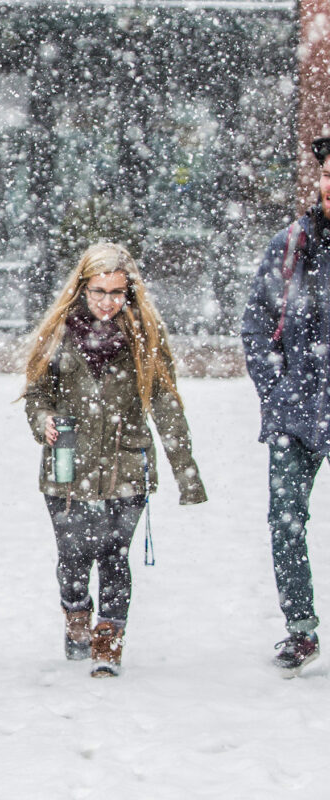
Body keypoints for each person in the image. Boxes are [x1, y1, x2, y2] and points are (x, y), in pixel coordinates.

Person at [23, 242, 206, 677]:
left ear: (131, 292)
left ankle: (109, 637)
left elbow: (166, 405)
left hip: (127, 465)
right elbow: (36, 395)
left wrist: (187, 472)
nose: (108, 302)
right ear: (82, 288)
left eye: (117, 293)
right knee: (73, 554)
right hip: (68, 464)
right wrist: (44, 420)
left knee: (113, 553)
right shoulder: (58, 334)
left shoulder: (145, 339)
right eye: (99, 292)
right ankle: (76, 611)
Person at [241, 134, 330, 676]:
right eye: (327, 174)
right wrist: (277, 395)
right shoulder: (294, 243)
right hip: (297, 410)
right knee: (286, 520)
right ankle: (300, 629)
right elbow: (256, 325)